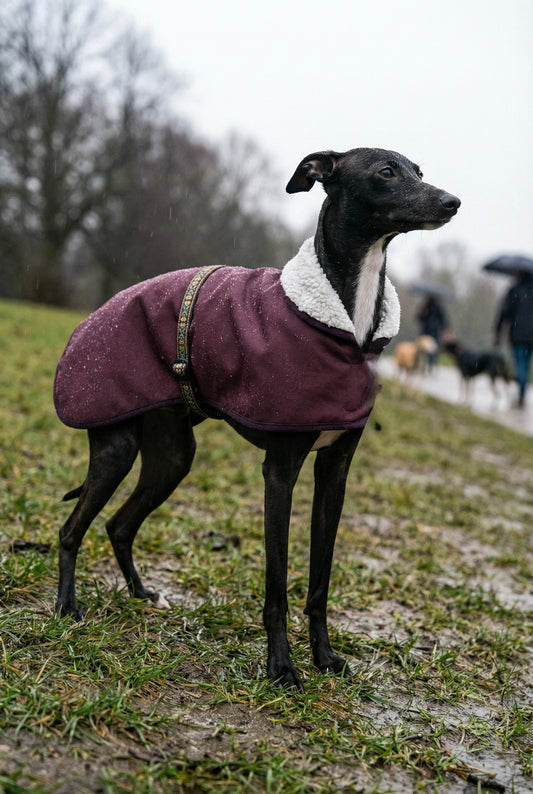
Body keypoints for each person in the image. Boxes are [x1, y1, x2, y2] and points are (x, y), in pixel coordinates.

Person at [494, 270, 533, 408]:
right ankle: (522, 392)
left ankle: (521, 394)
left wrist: (498, 331)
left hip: (518, 334)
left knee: (520, 364)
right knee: (526, 364)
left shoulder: (515, 290)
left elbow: (505, 312)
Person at [416, 295, 448, 371]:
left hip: (435, 333)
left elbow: (443, 321)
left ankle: (431, 366)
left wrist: (442, 329)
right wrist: (423, 314)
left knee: (433, 350)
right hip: (425, 332)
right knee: (422, 351)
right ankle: (421, 366)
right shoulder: (425, 307)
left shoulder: (439, 308)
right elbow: (419, 318)